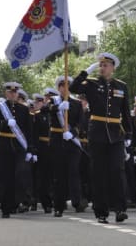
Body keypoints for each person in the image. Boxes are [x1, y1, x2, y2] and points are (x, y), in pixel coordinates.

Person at [69, 53, 132, 224]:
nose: (103, 67)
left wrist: (128, 135)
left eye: (106, 65)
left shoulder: (121, 86)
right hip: (97, 133)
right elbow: (73, 88)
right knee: (99, 173)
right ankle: (101, 211)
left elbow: (126, 112)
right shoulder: (91, 84)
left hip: (115, 134)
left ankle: (119, 209)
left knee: (117, 172)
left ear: (113, 67)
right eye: (101, 65)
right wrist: (85, 72)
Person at [0, 82, 34, 218]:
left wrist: (31, 149)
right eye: (10, 92)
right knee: (6, 177)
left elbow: (29, 130)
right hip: (4, 146)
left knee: (20, 174)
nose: (13, 94)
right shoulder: (0, 108)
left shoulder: (23, 109)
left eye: (15, 92)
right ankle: (6, 208)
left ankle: (17, 202)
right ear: (6, 94)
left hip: (19, 146)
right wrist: (4, 123)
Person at [49, 75, 84, 217]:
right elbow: (45, 109)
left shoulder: (76, 103)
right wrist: (58, 107)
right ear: (58, 88)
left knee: (74, 172)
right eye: (62, 85)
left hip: (72, 142)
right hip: (57, 141)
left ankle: (77, 202)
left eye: (67, 85)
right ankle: (59, 205)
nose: (65, 88)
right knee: (59, 175)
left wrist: (73, 133)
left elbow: (81, 122)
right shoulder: (53, 101)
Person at [32, 93, 53, 214]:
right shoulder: (38, 116)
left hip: (54, 147)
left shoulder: (56, 114)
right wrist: (34, 150)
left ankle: (53, 200)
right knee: (42, 176)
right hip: (42, 147)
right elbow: (34, 135)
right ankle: (45, 203)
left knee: (52, 176)